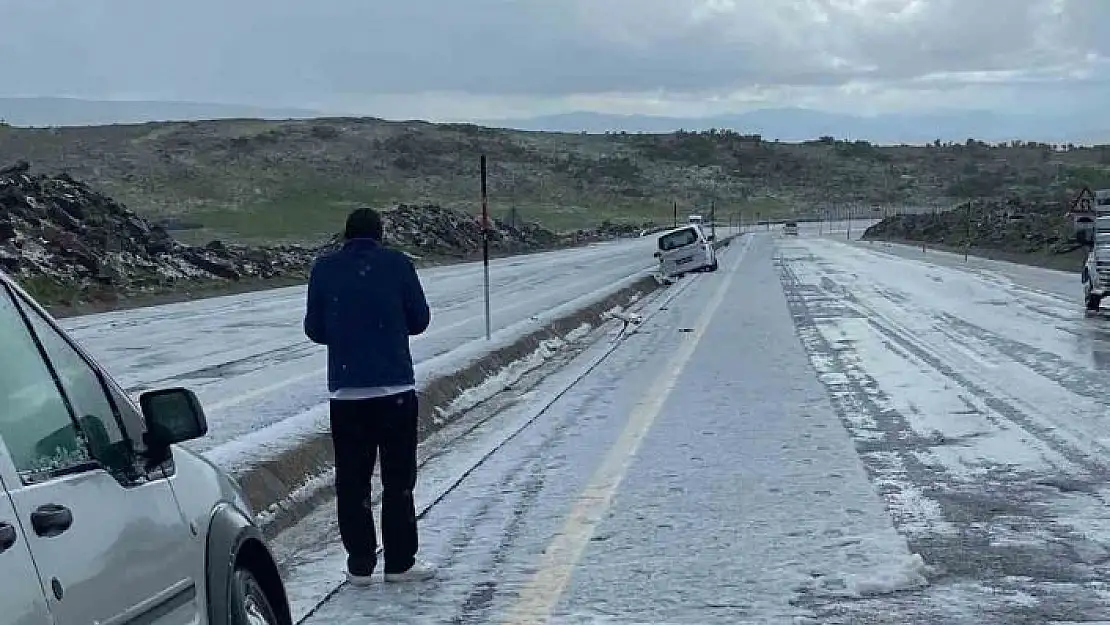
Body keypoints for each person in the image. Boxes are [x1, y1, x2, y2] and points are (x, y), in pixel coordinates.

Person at [304, 206, 435, 585]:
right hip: (394, 387)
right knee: (398, 481)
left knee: (352, 480)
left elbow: (314, 328)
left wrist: (347, 333)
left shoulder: (324, 269)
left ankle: (360, 564)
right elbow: (420, 319)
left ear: (345, 236)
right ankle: (399, 563)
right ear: (380, 235)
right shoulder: (397, 264)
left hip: (346, 394)